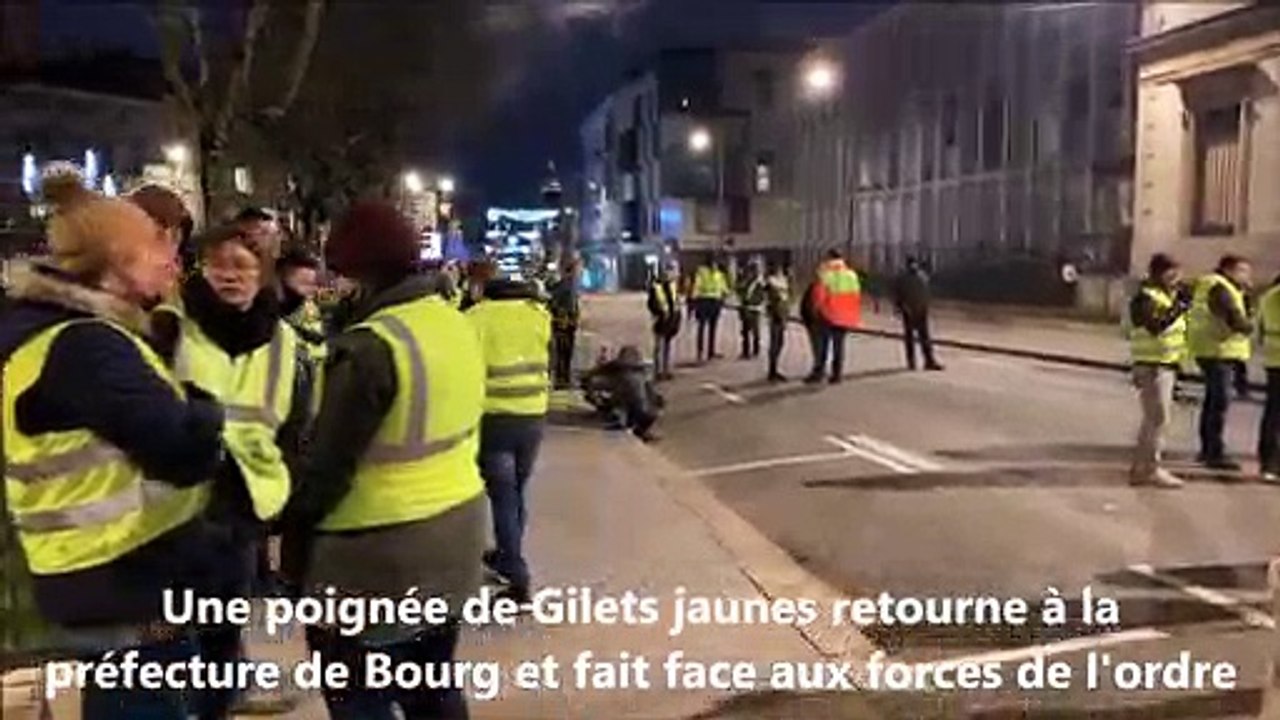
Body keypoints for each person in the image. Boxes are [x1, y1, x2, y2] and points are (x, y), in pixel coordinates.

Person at [0, 173, 226, 719]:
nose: (171, 261)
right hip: (118, 580)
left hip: (101, 576)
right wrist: (204, 407)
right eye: (156, 245)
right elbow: (182, 449)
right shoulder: (88, 347)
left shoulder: (63, 331)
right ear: (118, 263)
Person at [284, 201, 484, 719]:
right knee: (433, 688)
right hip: (455, 539)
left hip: (372, 559)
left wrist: (285, 538)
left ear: (362, 276)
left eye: (340, 274)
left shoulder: (370, 347)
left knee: (358, 697)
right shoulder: (453, 322)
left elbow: (325, 474)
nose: (330, 288)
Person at [154, 224, 312, 718]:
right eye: (219, 265)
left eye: (243, 266)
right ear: (200, 268)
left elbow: (296, 425)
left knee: (222, 639)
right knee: (173, 642)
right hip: (175, 507)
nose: (230, 276)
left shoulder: (285, 341)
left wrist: (279, 497)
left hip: (243, 509)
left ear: (261, 275)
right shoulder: (170, 326)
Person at [466, 278, 551, 604]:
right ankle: (507, 553)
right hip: (532, 415)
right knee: (516, 491)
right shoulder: (538, 315)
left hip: (494, 418)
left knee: (502, 495)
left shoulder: (476, 318)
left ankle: (517, 577)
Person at [1127, 253, 1192, 489]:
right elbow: (1156, 326)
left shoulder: (1166, 295)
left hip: (1164, 364)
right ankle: (1149, 468)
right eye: (1172, 273)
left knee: (1155, 419)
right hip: (1151, 366)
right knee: (1157, 419)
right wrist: (1180, 307)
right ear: (1159, 273)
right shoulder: (1145, 298)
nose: (1177, 278)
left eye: (1179, 273)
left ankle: (1142, 468)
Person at [1188, 254, 1253, 471]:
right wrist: (1248, 326)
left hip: (1210, 348)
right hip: (1218, 350)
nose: (1247, 275)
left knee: (1213, 402)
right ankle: (1213, 452)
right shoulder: (1222, 288)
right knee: (1219, 403)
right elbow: (1236, 319)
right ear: (1228, 269)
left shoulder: (1213, 284)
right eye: (1242, 271)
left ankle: (1208, 449)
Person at [805, 249, 862, 385]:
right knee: (839, 346)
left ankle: (819, 373)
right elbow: (857, 295)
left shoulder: (825, 274)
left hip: (828, 315)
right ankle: (837, 375)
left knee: (822, 346)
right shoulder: (851, 275)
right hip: (846, 316)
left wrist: (814, 310)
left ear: (829, 258)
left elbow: (818, 296)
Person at [583, 345, 662, 442]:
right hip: (636, 407)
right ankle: (638, 430)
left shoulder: (618, 370)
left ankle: (633, 428)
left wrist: (593, 395)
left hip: (628, 405)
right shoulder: (641, 374)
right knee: (640, 411)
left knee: (623, 411)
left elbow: (592, 378)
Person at [893, 256, 944, 371]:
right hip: (909, 311)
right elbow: (898, 295)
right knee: (910, 338)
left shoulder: (922, 276)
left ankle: (929, 361)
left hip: (921, 311)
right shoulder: (902, 278)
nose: (913, 266)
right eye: (911, 264)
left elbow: (926, 293)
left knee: (925, 337)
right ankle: (911, 362)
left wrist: (926, 306)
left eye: (914, 263)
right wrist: (900, 308)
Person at [277, 248, 327, 361]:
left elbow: (319, 350)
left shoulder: (310, 312)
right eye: (306, 284)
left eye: (313, 284)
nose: (314, 290)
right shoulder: (259, 311)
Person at [1258, 275, 1280, 483]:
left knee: (1272, 413)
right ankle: (1271, 463)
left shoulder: (1267, 296)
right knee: (1274, 415)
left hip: (1273, 358)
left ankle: (1269, 462)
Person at [548, 259, 581, 389]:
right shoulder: (565, 286)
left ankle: (564, 378)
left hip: (567, 324)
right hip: (563, 325)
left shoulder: (567, 285)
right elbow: (556, 304)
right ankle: (562, 380)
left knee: (565, 353)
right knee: (563, 352)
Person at [691, 254, 730, 363]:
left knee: (713, 328)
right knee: (702, 328)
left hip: (715, 302)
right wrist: (693, 300)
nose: (715, 265)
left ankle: (711, 352)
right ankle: (700, 352)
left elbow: (724, 288)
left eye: (716, 263)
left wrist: (726, 295)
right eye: (713, 263)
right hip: (703, 301)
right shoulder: (702, 272)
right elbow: (697, 286)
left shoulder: (719, 274)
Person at [647, 260, 682, 381]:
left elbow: (676, 303)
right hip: (660, 320)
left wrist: (677, 318)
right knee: (659, 347)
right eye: (667, 271)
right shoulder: (655, 286)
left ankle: (666, 370)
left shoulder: (672, 285)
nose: (669, 274)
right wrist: (658, 313)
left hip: (670, 320)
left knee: (667, 347)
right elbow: (651, 304)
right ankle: (658, 371)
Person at [765, 263, 792, 382]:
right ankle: (772, 371)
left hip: (782, 314)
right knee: (775, 343)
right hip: (776, 315)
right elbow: (774, 298)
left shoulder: (783, 281)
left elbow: (789, 296)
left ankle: (774, 369)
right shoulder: (771, 281)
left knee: (780, 343)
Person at [737, 260, 766, 360]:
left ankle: (755, 350)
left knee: (755, 332)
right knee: (745, 331)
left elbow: (762, 296)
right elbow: (739, 290)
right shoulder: (746, 281)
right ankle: (746, 351)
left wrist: (754, 302)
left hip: (754, 309)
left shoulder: (760, 283)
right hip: (746, 309)